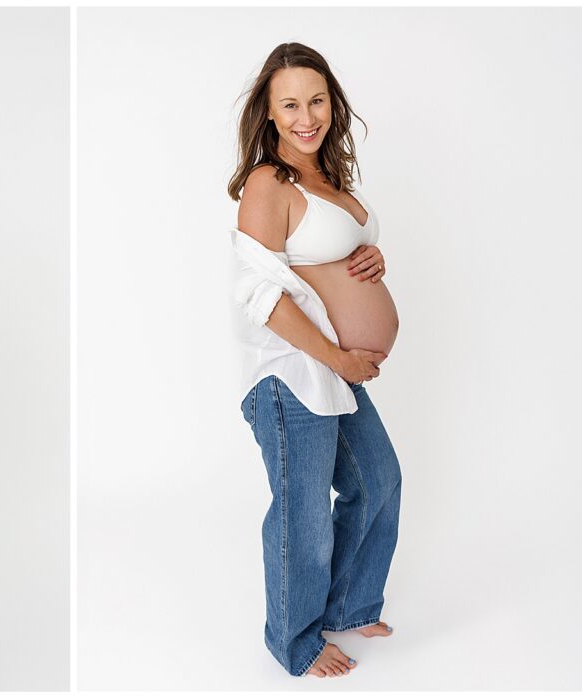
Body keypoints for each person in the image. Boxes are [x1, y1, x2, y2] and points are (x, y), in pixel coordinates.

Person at [228, 43, 403, 679]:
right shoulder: (268, 183)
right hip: (292, 374)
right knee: (301, 513)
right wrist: (338, 356)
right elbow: (259, 295)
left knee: (377, 480)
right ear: (269, 114)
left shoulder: (327, 178)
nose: (307, 117)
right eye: (291, 105)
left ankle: (350, 603)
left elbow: (329, 259)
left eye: (317, 101)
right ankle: (295, 641)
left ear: (333, 103)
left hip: (333, 370)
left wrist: (372, 256)